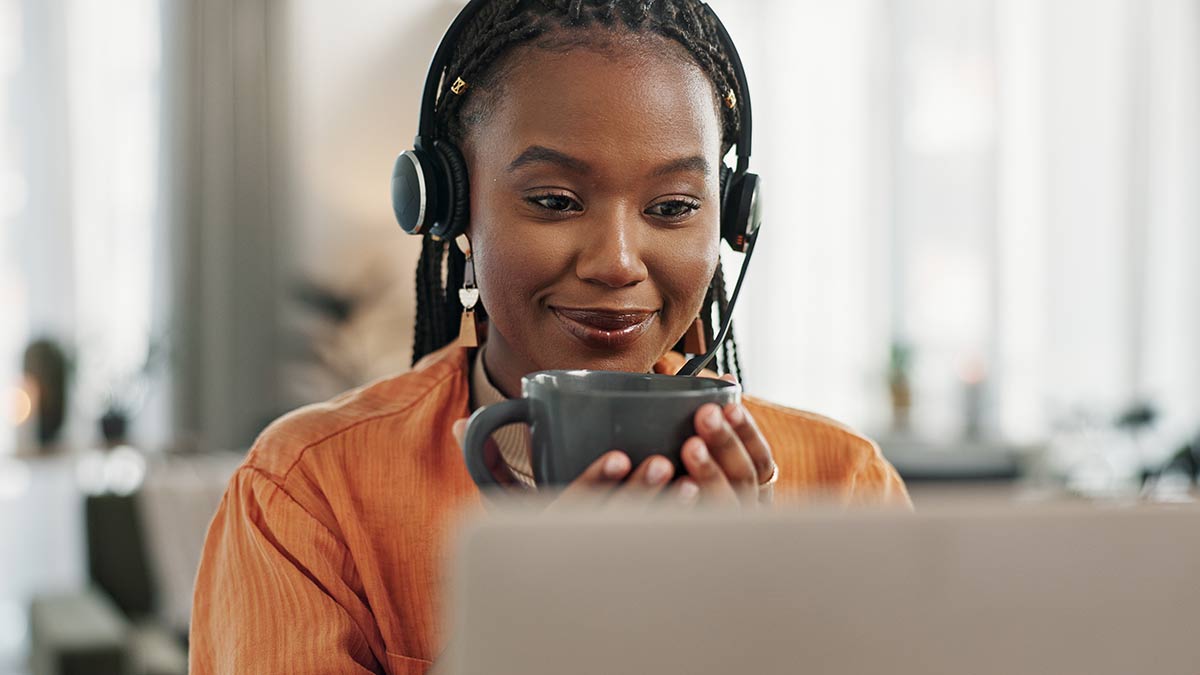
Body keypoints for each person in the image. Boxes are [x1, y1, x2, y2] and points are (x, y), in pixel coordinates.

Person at [189, 1, 910, 673]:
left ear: (730, 221)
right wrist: (534, 625)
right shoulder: (306, 492)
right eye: (556, 201)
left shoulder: (844, 486)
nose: (617, 262)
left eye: (672, 207)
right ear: (453, 209)